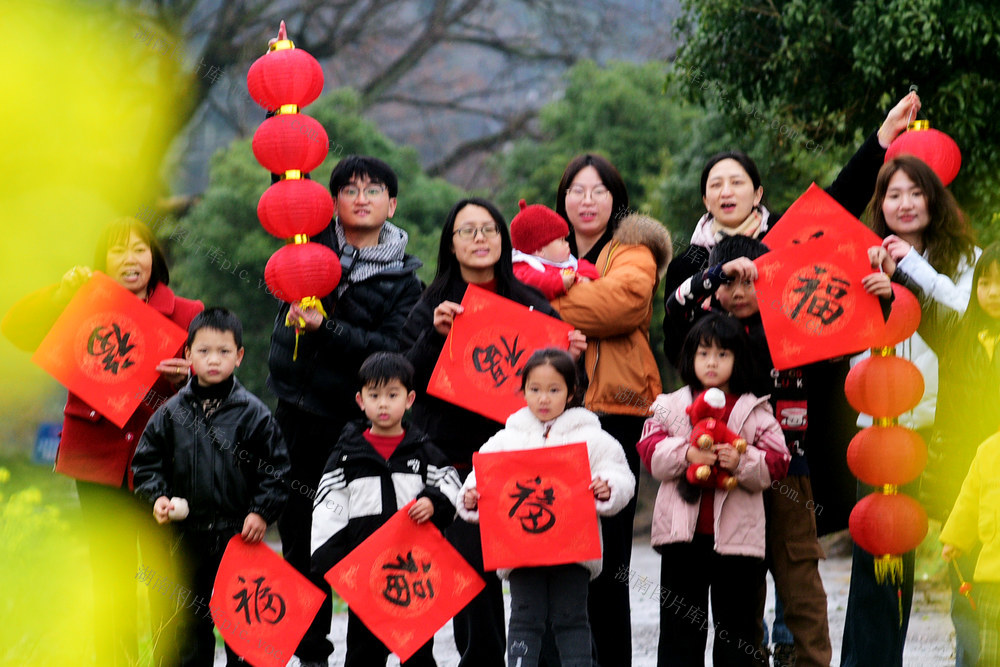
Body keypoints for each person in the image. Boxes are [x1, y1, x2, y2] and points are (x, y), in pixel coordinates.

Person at [661, 234, 894, 667]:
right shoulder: (706, 332)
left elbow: (855, 325)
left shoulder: (798, 323)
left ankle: (811, 662)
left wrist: (881, 291)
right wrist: (714, 275)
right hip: (724, 475)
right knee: (741, 590)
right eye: (732, 282)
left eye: (753, 281)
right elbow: (674, 307)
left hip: (789, 473)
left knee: (799, 581)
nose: (741, 292)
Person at [1, 217, 203, 666]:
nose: (130, 260)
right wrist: (61, 292)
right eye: (117, 251)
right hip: (95, 461)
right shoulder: (80, 306)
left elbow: (218, 380)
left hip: (163, 466)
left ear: (155, 259)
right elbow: (14, 327)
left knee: (164, 577)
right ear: (101, 263)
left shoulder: (188, 313)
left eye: (139, 250)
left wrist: (192, 377)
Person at [401, 197, 586, 667]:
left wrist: (572, 360)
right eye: (467, 231)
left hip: (522, 463)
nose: (479, 238)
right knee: (474, 583)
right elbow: (405, 381)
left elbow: (566, 393)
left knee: (534, 581)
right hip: (458, 466)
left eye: (488, 230)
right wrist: (434, 337)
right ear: (451, 244)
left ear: (503, 241)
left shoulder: (531, 304)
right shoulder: (432, 305)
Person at [266, 155, 423, 666]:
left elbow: (391, 351)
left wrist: (325, 328)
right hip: (300, 415)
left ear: (392, 203)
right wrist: (280, 123)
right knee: (300, 537)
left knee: (366, 541)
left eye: (373, 189)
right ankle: (311, 654)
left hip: (364, 427)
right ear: (332, 201)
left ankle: (365, 657)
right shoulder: (307, 249)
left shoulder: (404, 281)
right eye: (349, 188)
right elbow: (286, 191)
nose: (361, 197)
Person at [842, 156, 979, 667]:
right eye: (892, 194)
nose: (903, 204)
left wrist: (912, 270)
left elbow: (967, 317)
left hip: (946, 430)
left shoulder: (968, 258)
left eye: (915, 192)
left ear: (934, 198)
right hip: (881, 436)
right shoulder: (860, 256)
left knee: (968, 554)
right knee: (880, 569)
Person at [549, 202, 672, 665]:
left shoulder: (631, 247)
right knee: (555, 546)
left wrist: (540, 301)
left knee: (610, 552)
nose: (586, 200)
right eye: (576, 190)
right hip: (550, 412)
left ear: (613, 198)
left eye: (597, 190)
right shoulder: (544, 250)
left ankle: (614, 658)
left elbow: (619, 307)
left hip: (617, 408)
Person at [457, 348, 635, 667]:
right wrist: (470, 497)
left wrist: (608, 487)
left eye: (554, 390)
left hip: (573, 550)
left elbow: (621, 474)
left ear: (571, 393)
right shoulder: (505, 439)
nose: (544, 398)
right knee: (524, 617)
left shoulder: (592, 437)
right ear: (523, 390)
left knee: (572, 619)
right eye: (535, 389)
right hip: (521, 551)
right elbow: (479, 478)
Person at [131, 307, 288, 666]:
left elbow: (276, 469)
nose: (213, 360)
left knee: (243, 626)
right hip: (185, 538)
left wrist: (261, 512)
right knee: (186, 626)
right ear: (187, 355)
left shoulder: (254, 414)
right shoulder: (170, 413)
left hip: (239, 537)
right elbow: (146, 463)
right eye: (203, 351)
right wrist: (157, 497)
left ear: (240, 356)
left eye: (223, 351)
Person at [636, 314, 790, 666]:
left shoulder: (755, 408)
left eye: (723, 354)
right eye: (704, 353)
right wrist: (687, 453)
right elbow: (650, 454)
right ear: (690, 357)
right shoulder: (669, 406)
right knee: (679, 630)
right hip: (682, 541)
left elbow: (777, 462)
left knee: (737, 633)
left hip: (738, 542)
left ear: (739, 360)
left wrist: (742, 460)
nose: (712, 362)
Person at [875, 241, 1000, 667]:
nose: (993, 292)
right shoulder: (956, 331)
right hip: (961, 484)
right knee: (965, 581)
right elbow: (921, 309)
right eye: (986, 282)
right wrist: (896, 275)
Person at [310, 352, 461, 667]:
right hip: (367, 576)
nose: (383, 403)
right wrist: (335, 563)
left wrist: (433, 501)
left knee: (418, 651)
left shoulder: (423, 450)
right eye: (374, 395)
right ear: (360, 400)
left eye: (392, 395)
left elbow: (451, 483)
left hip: (415, 574)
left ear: (409, 400)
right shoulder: (346, 455)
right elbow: (327, 505)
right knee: (364, 653)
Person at [940, 427, 1000, 666]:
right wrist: (956, 538)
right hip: (993, 582)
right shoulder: (989, 450)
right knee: (991, 655)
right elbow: (969, 501)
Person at [511, 198, 599, 300]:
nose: (567, 244)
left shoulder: (565, 261)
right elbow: (532, 282)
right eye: (561, 240)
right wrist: (560, 282)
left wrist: (586, 276)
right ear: (539, 250)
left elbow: (585, 266)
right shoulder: (523, 267)